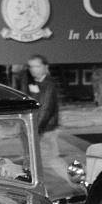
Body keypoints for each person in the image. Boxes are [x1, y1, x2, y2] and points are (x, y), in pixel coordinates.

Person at [24, 54, 67, 182]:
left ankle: (76, 184)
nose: (33, 69)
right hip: (39, 128)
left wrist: (35, 129)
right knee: (34, 160)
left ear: (45, 67)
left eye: (37, 66)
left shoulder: (49, 84)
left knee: (52, 159)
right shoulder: (35, 82)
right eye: (31, 66)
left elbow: (46, 109)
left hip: (46, 129)